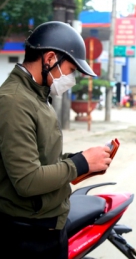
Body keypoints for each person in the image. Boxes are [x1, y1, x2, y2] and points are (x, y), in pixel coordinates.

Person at [0, 21, 113, 258]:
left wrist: (84, 161)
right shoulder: (14, 102)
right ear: (50, 58)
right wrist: (79, 163)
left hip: (48, 225)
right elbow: (27, 180)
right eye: (71, 70)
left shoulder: (37, 96)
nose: (71, 79)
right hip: (28, 234)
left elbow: (45, 159)